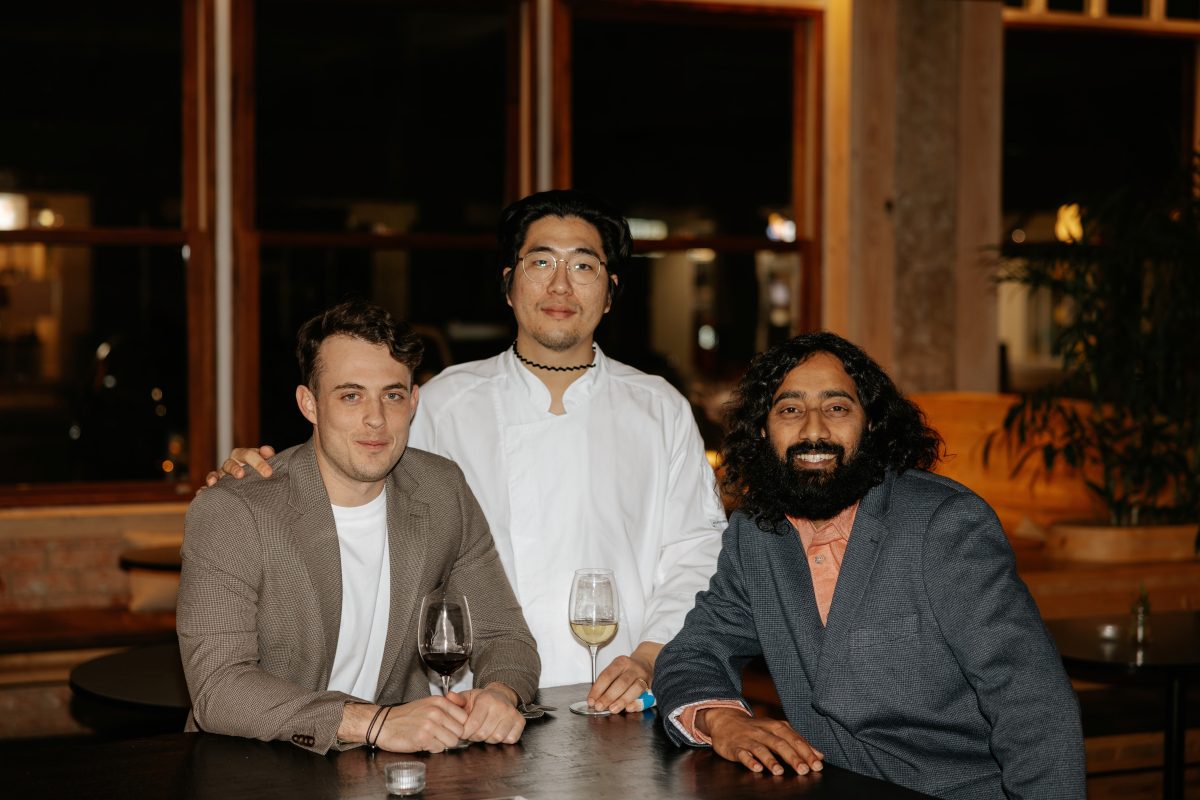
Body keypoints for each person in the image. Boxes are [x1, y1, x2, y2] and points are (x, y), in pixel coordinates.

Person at [215, 190, 727, 714]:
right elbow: (354, 479)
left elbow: (695, 550)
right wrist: (263, 474)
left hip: (619, 693)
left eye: (583, 265)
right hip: (465, 702)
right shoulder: (444, 402)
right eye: (541, 261)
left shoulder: (658, 407)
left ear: (611, 291)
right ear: (508, 283)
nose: (560, 284)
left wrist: (650, 653)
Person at [653, 332, 1086, 799]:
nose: (814, 430)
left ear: (872, 426)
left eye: (837, 408)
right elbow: (692, 652)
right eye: (790, 409)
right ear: (763, 431)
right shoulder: (757, 535)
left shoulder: (942, 524)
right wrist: (723, 720)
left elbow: (1033, 704)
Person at [178, 300, 540, 755]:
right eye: (350, 396)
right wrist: (375, 722)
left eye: (391, 395)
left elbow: (505, 635)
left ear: (413, 402)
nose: (376, 418)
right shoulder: (235, 511)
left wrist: (500, 694)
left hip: (394, 769)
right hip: (260, 766)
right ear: (308, 404)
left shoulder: (441, 489)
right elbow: (219, 689)